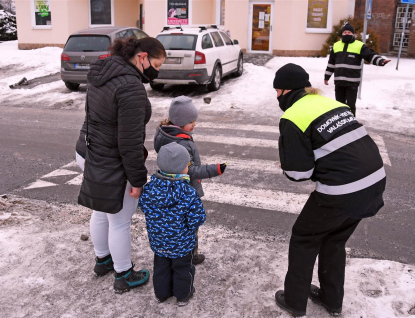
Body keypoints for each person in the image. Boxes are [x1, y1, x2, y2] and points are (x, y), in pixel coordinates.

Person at [273, 63, 386, 317]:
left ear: (285, 90)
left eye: (277, 91)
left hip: (344, 189)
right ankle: (331, 299)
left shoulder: (292, 117)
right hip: (375, 180)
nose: (277, 97)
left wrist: (288, 164)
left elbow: (298, 173)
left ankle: (294, 301)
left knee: (304, 238)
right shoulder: (333, 104)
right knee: (334, 240)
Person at [75, 36, 166, 294]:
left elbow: (93, 116)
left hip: (87, 150)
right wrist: (137, 179)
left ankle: (103, 260)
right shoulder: (131, 87)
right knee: (119, 220)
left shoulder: (102, 69)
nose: (156, 72)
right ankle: (124, 274)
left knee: (101, 211)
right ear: (142, 57)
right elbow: (129, 141)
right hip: (111, 160)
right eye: (156, 65)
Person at [153, 95, 227, 265]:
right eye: (191, 121)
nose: (194, 124)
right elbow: (191, 171)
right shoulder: (181, 143)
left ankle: (175, 252)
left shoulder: (167, 134)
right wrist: (214, 169)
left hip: (171, 188)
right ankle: (190, 255)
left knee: (174, 223)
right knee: (190, 223)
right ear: (179, 122)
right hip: (185, 190)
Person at [139, 142, 206, 306]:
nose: (188, 166)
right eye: (186, 164)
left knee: (161, 269)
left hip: (159, 241)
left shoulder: (149, 188)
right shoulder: (188, 192)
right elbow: (197, 218)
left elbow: (142, 205)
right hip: (182, 244)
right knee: (183, 270)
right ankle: (183, 295)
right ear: (179, 168)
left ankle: (161, 294)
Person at [324, 22, 391, 116]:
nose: (347, 34)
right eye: (345, 32)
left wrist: (380, 61)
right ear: (342, 34)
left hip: (352, 83)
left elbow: (370, 55)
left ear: (353, 34)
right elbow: (331, 63)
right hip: (339, 82)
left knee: (351, 105)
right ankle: (341, 125)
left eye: (349, 32)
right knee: (339, 105)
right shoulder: (336, 46)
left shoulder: (359, 46)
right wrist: (327, 77)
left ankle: (351, 124)